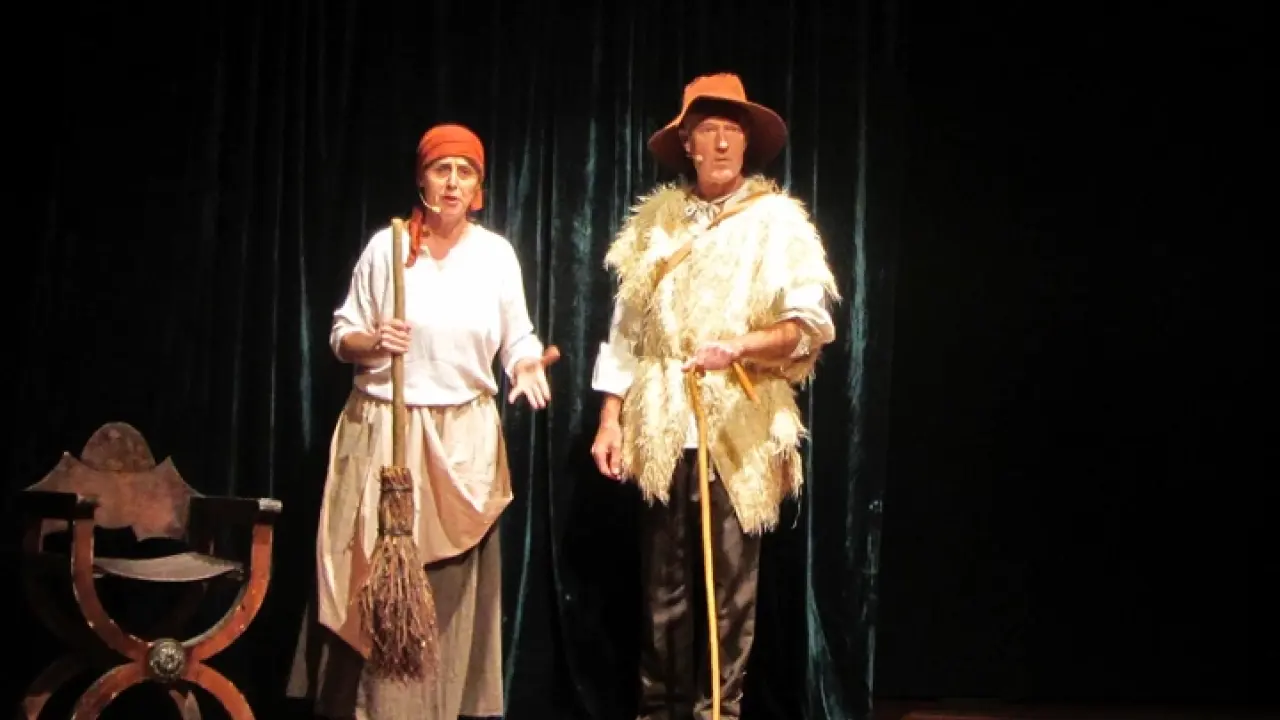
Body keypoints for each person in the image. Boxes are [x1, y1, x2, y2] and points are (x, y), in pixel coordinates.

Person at [589, 72, 840, 720]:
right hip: (663, 424)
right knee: (663, 592)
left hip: (738, 424)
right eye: (709, 130)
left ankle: (718, 712)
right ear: (688, 144)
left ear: (747, 143)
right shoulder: (656, 225)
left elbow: (810, 325)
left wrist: (742, 346)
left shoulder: (777, 223)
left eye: (732, 130)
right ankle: (659, 711)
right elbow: (626, 330)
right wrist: (610, 418)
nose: (722, 142)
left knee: (729, 592)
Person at [287, 123, 552, 719]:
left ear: (479, 188)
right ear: (422, 179)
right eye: (441, 169)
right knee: (372, 578)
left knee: (444, 587)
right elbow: (342, 335)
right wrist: (374, 340)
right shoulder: (387, 248)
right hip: (387, 430)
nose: (453, 182)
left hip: (462, 441)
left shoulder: (495, 256)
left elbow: (518, 337)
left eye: (466, 171)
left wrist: (526, 363)